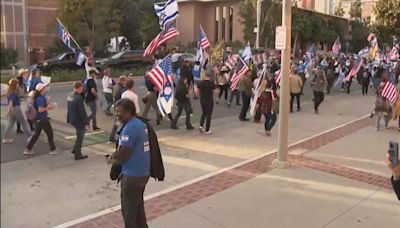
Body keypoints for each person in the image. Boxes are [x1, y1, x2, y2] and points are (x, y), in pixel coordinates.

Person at [111, 98, 150, 228]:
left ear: (129, 111)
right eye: (116, 111)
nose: (117, 114)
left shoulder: (129, 128)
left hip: (132, 177)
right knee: (138, 211)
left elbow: (123, 154)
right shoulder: (141, 124)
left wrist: (111, 159)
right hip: (142, 174)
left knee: (129, 215)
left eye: (119, 112)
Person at [24, 83, 58, 155]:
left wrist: (49, 105)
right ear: (42, 89)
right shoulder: (40, 98)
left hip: (36, 119)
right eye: (45, 87)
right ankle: (53, 149)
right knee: (50, 134)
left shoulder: (37, 97)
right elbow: (40, 109)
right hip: (42, 119)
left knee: (36, 134)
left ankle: (28, 149)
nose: (46, 88)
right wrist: (48, 107)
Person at [2, 79, 32, 144]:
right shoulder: (13, 93)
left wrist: (9, 110)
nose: (18, 85)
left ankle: (5, 138)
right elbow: (11, 102)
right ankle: (30, 137)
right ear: (15, 85)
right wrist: (8, 111)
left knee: (10, 124)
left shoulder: (10, 92)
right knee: (23, 123)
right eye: (17, 84)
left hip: (13, 109)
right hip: (16, 109)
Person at [67, 81, 89, 160]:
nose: (83, 89)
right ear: (79, 88)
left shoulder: (70, 95)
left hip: (72, 118)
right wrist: (86, 122)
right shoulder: (78, 98)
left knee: (78, 135)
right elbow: (82, 111)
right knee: (80, 137)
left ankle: (74, 149)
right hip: (78, 120)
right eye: (82, 88)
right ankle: (78, 154)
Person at [196, 69, 218, 134]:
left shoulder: (200, 83)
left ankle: (201, 125)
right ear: (210, 76)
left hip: (202, 99)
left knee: (204, 113)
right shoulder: (211, 83)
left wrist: (200, 95)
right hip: (209, 100)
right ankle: (207, 129)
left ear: (204, 76)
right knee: (209, 115)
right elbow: (215, 92)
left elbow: (197, 92)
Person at [109, 75, 128, 143]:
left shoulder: (118, 87)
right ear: (122, 81)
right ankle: (112, 136)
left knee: (119, 122)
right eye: (125, 81)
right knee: (119, 122)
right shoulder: (121, 88)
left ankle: (114, 135)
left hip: (117, 107)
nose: (126, 82)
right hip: (120, 108)